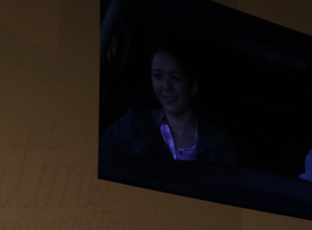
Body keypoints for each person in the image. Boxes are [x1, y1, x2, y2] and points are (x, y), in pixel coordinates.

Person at [100, 46, 236, 163]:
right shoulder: (132, 125)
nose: (166, 86)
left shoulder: (219, 143)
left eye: (175, 78)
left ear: (193, 87)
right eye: (158, 76)